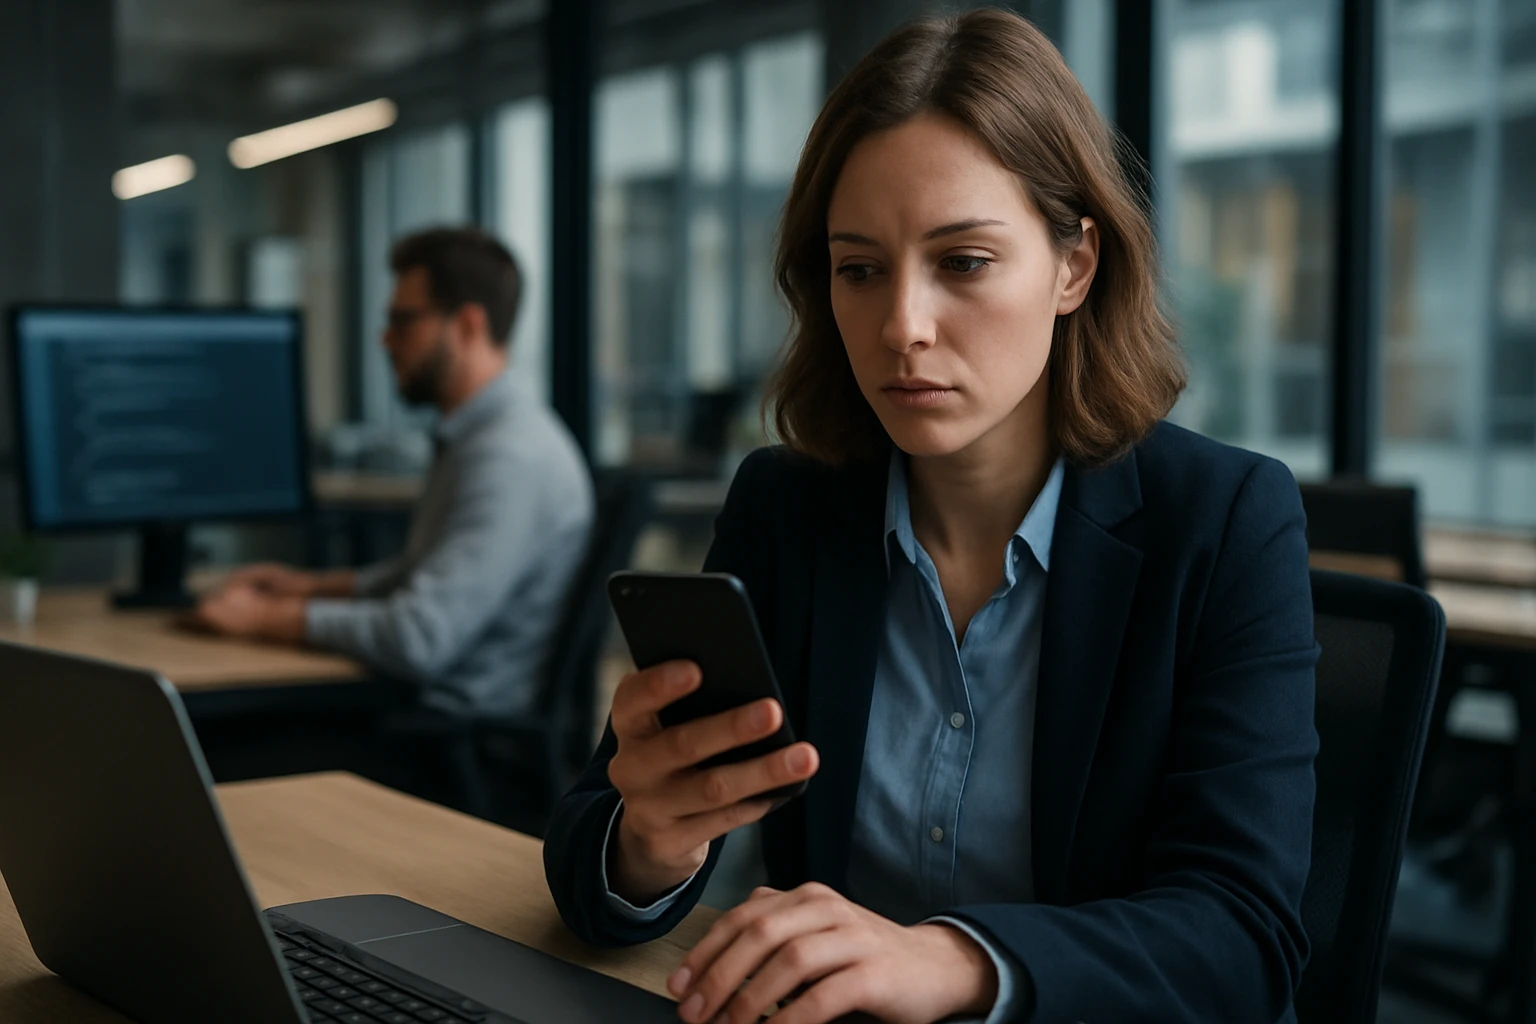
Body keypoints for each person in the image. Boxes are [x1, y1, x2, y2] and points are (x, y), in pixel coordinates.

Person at [544, 9, 1316, 1024]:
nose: (901, 326)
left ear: (1074, 265)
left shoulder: (1226, 522)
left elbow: (1241, 937)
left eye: (964, 261)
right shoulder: (788, 507)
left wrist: (955, 960)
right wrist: (648, 841)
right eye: (859, 269)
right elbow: (591, 857)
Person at [193, 227, 593, 718]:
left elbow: (419, 635)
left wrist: (262, 618)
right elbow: (424, 576)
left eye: (404, 322)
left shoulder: (509, 455)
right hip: (421, 715)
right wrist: (313, 588)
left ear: (467, 326)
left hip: (448, 741)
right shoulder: (481, 436)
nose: (385, 340)